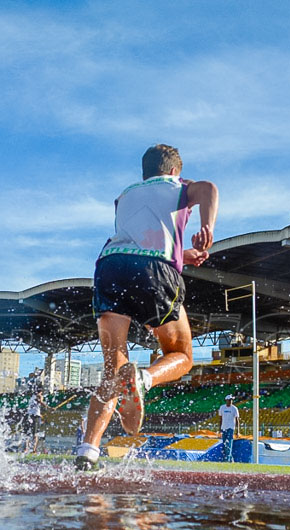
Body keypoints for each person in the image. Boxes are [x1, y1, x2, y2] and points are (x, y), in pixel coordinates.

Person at [75, 144, 218, 470]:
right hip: (153, 269)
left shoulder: (125, 196)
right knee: (181, 355)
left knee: (113, 372)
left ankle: (88, 451)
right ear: (173, 172)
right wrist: (206, 228)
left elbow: (139, 240)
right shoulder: (177, 185)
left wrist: (183, 255)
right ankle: (144, 379)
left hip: (109, 266)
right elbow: (209, 189)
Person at [26, 387, 51, 452]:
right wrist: (49, 408)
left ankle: (31, 449)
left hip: (31, 416)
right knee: (33, 434)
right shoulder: (38, 396)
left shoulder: (32, 397)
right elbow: (40, 402)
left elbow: (38, 404)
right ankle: (30, 449)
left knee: (32, 433)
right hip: (34, 416)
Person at [218, 394, 241, 462]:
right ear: (226, 400)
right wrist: (219, 429)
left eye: (231, 400)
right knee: (225, 443)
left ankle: (227, 459)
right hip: (224, 427)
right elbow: (220, 419)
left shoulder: (234, 408)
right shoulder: (222, 408)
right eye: (229, 400)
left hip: (231, 428)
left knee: (229, 443)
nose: (230, 401)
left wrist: (238, 431)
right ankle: (231, 459)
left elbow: (237, 420)